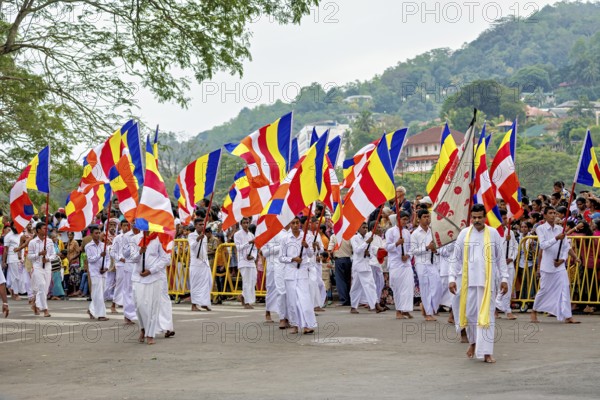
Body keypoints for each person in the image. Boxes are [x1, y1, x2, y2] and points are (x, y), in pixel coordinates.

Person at [449, 204, 509, 363]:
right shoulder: (464, 234)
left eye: (479, 217)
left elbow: (500, 259)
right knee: (471, 316)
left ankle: (487, 352)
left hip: (488, 283)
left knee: (487, 317)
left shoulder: (493, 234)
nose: (477, 220)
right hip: (468, 283)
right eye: (474, 217)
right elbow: (455, 259)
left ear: (485, 217)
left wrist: (504, 278)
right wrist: (451, 279)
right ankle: (474, 343)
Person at [530, 206, 580, 324]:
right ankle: (534, 310)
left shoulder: (560, 229)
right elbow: (543, 245)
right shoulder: (540, 229)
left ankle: (568, 316)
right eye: (550, 213)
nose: (553, 215)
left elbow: (566, 247)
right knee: (544, 290)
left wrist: (565, 259)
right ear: (545, 215)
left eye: (554, 213)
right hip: (547, 266)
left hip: (560, 266)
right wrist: (556, 238)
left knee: (565, 287)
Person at [128, 231, 171, 344]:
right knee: (139, 305)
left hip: (153, 277)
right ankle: (143, 328)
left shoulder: (159, 238)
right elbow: (131, 258)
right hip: (138, 277)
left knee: (152, 307)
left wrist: (151, 271)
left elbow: (166, 258)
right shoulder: (135, 239)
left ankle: (150, 335)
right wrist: (139, 252)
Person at [279, 216, 317, 334]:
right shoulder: (285, 239)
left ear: (300, 224)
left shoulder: (307, 237)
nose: (295, 225)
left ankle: (307, 325)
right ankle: (295, 325)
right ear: (290, 225)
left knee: (304, 298)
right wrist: (293, 259)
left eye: (297, 223)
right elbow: (281, 257)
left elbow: (310, 254)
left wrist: (306, 246)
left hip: (302, 271)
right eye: (293, 223)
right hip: (290, 272)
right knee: (292, 300)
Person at [410, 209, 441, 321]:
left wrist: (436, 250)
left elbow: (437, 245)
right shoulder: (415, 234)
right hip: (421, 263)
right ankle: (428, 313)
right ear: (418, 218)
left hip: (432, 262)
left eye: (428, 216)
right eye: (424, 216)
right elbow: (413, 251)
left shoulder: (432, 231)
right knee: (425, 287)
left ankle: (427, 307)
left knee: (437, 285)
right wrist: (427, 248)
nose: (427, 218)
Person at [349, 222, 384, 314]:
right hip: (358, 265)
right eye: (363, 227)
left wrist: (369, 254)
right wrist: (366, 243)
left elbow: (371, 252)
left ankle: (375, 304)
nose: (365, 229)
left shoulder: (367, 239)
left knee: (370, 284)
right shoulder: (354, 238)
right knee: (358, 287)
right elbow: (357, 250)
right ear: (358, 228)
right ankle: (355, 306)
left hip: (366, 265)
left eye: (366, 227)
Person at [385, 211, 414, 319]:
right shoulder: (390, 231)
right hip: (395, 264)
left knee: (408, 287)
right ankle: (398, 311)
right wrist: (397, 243)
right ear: (398, 219)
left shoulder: (407, 232)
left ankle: (406, 310)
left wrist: (407, 255)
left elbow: (411, 247)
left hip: (406, 264)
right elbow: (387, 247)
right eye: (403, 219)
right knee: (397, 287)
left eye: (407, 219)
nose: (405, 222)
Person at [261, 226, 288, 325]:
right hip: (271, 266)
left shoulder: (285, 233)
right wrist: (280, 247)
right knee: (271, 288)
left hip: (283, 265)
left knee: (283, 291)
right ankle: (268, 312)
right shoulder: (266, 234)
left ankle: (285, 317)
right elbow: (265, 252)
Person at [27, 222, 55, 317]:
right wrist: (38, 254)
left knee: (45, 289)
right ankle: (45, 309)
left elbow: (53, 254)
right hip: (37, 266)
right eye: (44, 228)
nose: (46, 230)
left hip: (47, 266)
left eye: (47, 228)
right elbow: (29, 256)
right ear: (38, 230)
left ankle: (36, 305)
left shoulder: (50, 241)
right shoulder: (32, 242)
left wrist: (47, 259)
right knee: (42, 285)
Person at [495, 210, 518, 320]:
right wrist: (505, 240)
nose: (504, 220)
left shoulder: (511, 232)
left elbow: (515, 246)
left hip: (508, 264)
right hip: (497, 264)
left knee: (507, 286)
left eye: (505, 218)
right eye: (502, 218)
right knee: (496, 286)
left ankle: (507, 310)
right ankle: (495, 309)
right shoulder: (494, 232)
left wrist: (512, 258)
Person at [85, 226, 109, 321]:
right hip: (95, 272)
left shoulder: (104, 245)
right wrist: (100, 255)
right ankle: (101, 315)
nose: (98, 235)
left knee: (99, 293)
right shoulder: (88, 246)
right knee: (98, 293)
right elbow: (90, 259)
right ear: (91, 234)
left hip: (103, 272)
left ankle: (91, 309)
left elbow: (107, 259)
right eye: (96, 233)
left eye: (99, 233)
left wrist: (106, 267)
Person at [188, 219, 213, 312]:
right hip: (196, 264)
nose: (202, 226)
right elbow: (192, 246)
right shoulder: (191, 235)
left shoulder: (205, 237)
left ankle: (204, 303)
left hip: (204, 263)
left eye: (203, 224)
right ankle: (194, 305)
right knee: (195, 284)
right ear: (195, 226)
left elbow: (204, 250)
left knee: (208, 283)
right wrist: (198, 239)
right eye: (199, 224)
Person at [234, 217, 257, 309]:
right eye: (244, 223)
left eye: (247, 223)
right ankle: (247, 302)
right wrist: (248, 243)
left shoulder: (251, 235)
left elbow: (255, 248)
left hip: (251, 261)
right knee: (247, 281)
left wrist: (253, 256)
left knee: (253, 280)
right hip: (243, 261)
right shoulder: (237, 234)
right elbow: (238, 247)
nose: (246, 224)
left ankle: (243, 296)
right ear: (241, 224)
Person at [327, 234, 353, 306]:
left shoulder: (334, 236)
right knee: (348, 281)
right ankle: (349, 299)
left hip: (339, 260)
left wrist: (331, 256)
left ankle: (344, 300)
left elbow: (329, 250)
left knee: (340, 281)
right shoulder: (349, 235)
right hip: (348, 259)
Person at [3, 223, 25, 300]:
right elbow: (5, 250)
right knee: (15, 276)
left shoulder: (22, 233)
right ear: (12, 227)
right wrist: (3, 262)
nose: (16, 227)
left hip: (21, 258)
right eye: (14, 226)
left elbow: (23, 245)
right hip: (12, 258)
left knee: (20, 277)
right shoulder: (8, 236)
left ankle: (13, 290)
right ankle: (15, 294)